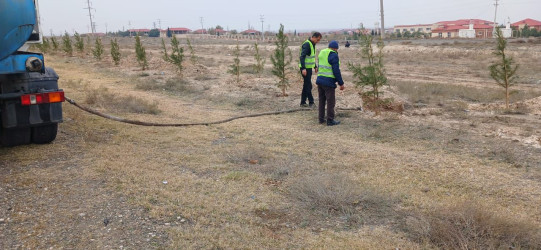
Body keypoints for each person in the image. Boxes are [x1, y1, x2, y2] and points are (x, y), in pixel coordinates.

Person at [316, 40, 345, 126]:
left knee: (321, 101)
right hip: (328, 82)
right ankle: (330, 120)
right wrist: (341, 83)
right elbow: (336, 70)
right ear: (336, 49)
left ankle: (321, 119)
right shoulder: (333, 55)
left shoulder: (322, 52)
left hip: (320, 80)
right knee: (330, 101)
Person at [298, 32, 322, 107]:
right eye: (317, 40)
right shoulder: (307, 44)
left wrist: (315, 66)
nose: (318, 41)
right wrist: (303, 68)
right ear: (314, 37)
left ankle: (303, 102)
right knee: (308, 85)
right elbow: (302, 57)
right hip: (305, 69)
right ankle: (311, 102)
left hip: (308, 68)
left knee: (306, 85)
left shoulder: (312, 44)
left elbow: (311, 57)